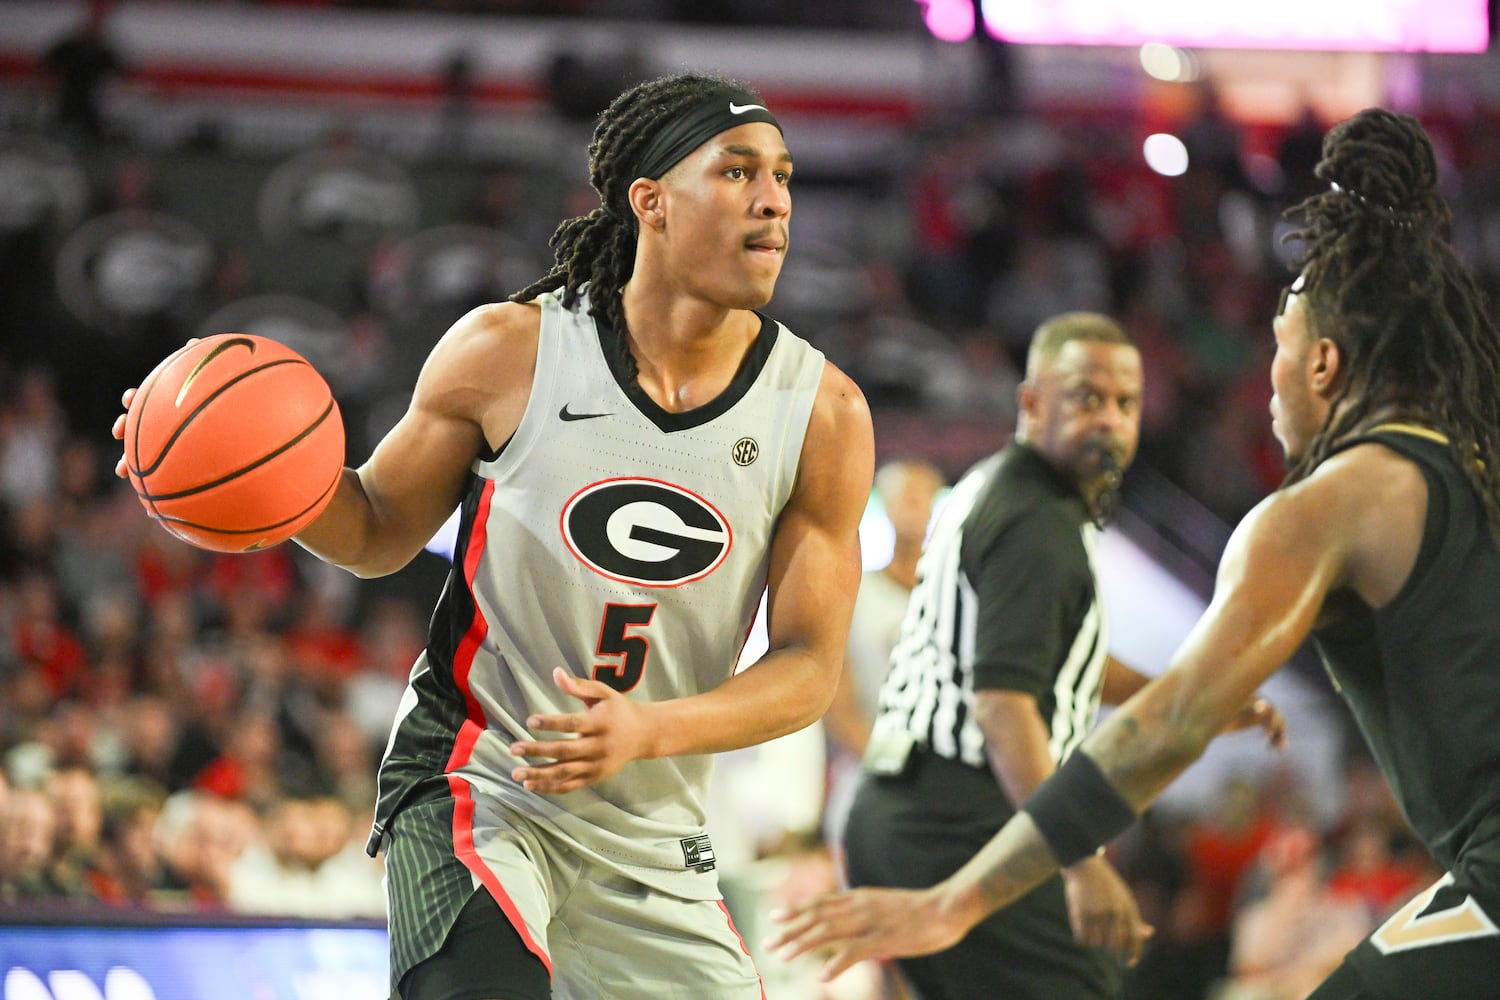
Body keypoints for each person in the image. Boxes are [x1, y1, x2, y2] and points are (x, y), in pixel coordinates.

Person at [113, 73, 874, 998]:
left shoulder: (821, 412)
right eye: (739, 171)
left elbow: (807, 667)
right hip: (479, 781)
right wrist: (254, 475)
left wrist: (649, 729)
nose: (775, 201)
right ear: (652, 203)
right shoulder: (508, 351)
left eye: (785, 176)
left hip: (649, 827)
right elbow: (382, 529)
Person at [769, 107, 1500, 1000]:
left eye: (1278, 345)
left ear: (1323, 365)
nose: (1265, 375)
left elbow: (1159, 732)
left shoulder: (1326, 503)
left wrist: (956, 901)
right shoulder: (1473, 470)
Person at [822, 312, 1282, 1000]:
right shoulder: (1037, 521)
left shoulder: (998, 486)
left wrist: (1194, 703)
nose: (1109, 419)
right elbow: (1004, 704)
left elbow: (1061, 665)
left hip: (913, 815)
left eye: (1126, 402)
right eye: (1086, 397)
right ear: (1031, 402)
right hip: (961, 816)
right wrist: (1076, 858)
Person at [821, 458, 944, 847]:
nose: (912, 507)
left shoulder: (950, 597)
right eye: (903, 497)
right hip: (869, 773)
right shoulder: (858, 594)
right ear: (885, 506)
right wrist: (889, 766)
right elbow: (835, 698)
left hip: (941, 777)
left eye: (921, 498)